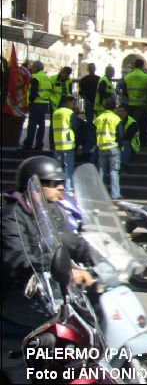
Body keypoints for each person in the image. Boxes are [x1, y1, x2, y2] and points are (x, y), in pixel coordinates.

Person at [1, 157, 94, 381]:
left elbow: (74, 243)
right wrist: (65, 270)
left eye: (61, 181)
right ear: (33, 185)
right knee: (56, 333)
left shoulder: (53, 213)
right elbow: (18, 260)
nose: (60, 187)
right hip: (17, 295)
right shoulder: (12, 217)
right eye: (53, 183)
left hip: (52, 293)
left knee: (87, 322)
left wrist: (104, 258)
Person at [52, 96, 82, 192]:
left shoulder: (55, 112)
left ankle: (57, 187)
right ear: (67, 102)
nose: (74, 105)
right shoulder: (69, 113)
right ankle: (68, 189)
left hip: (57, 144)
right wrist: (79, 144)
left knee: (57, 168)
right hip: (68, 144)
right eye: (73, 103)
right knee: (68, 168)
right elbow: (76, 128)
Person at [94, 97, 122, 199]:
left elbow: (94, 132)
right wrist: (121, 146)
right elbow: (120, 134)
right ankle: (115, 195)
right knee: (113, 171)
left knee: (101, 170)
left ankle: (98, 194)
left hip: (101, 147)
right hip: (113, 147)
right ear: (114, 107)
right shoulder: (116, 118)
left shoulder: (99, 118)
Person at [120, 58, 147, 146]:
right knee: (143, 123)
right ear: (142, 66)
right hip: (142, 104)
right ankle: (143, 141)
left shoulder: (128, 76)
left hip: (131, 104)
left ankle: (130, 140)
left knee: (131, 123)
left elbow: (123, 89)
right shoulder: (146, 77)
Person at [21, 61, 51, 151]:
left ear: (36, 68)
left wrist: (30, 101)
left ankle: (28, 144)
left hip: (36, 103)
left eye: (33, 67)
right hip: (44, 104)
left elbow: (33, 91)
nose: (31, 68)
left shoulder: (36, 77)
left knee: (32, 125)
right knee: (41, 125)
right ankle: (39, 144)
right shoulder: (46, 77)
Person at [115, 104, 140, 172]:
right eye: (118, 111)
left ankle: (123, 165)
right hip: (117, 144)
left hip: (131, 145)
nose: (119, 113)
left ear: (126, 113)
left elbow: (127, 137)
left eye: (122, 111)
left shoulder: (132, 123)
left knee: (125, 143)